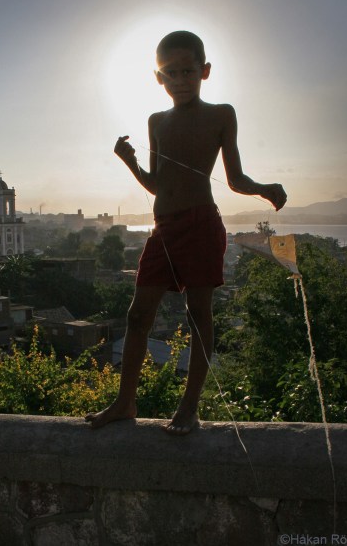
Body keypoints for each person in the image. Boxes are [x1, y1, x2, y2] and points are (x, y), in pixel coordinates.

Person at [85, 30, 287, 435]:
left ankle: (189, 407)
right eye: (171, 73)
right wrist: (130, 162)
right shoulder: (156, 121)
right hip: (163, 230)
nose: (180, 80)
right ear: (158, 77)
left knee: (198, 316)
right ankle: (125, 402)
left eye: (188, 71)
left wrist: (264, 188)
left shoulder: (221, 114)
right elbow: (158, 183)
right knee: (138, 315)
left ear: (204, 71)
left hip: (200, 225)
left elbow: (234, 179)